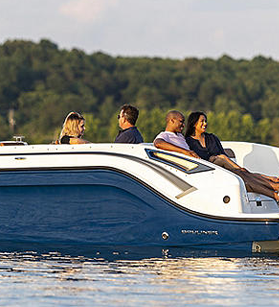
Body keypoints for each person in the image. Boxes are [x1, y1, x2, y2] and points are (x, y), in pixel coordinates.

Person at [185, 111, 279, 202]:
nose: (205, 123)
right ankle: (271, 183)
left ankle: (274, 194)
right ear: (194, 124)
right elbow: (198, 159)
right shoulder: (188, 142)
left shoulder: (212, 138)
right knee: (230, 164)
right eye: (202, 121)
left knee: (244, 180)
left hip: (226, 170)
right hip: (209, 172)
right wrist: (213, 158)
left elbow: (223, 154)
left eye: (206, 121)